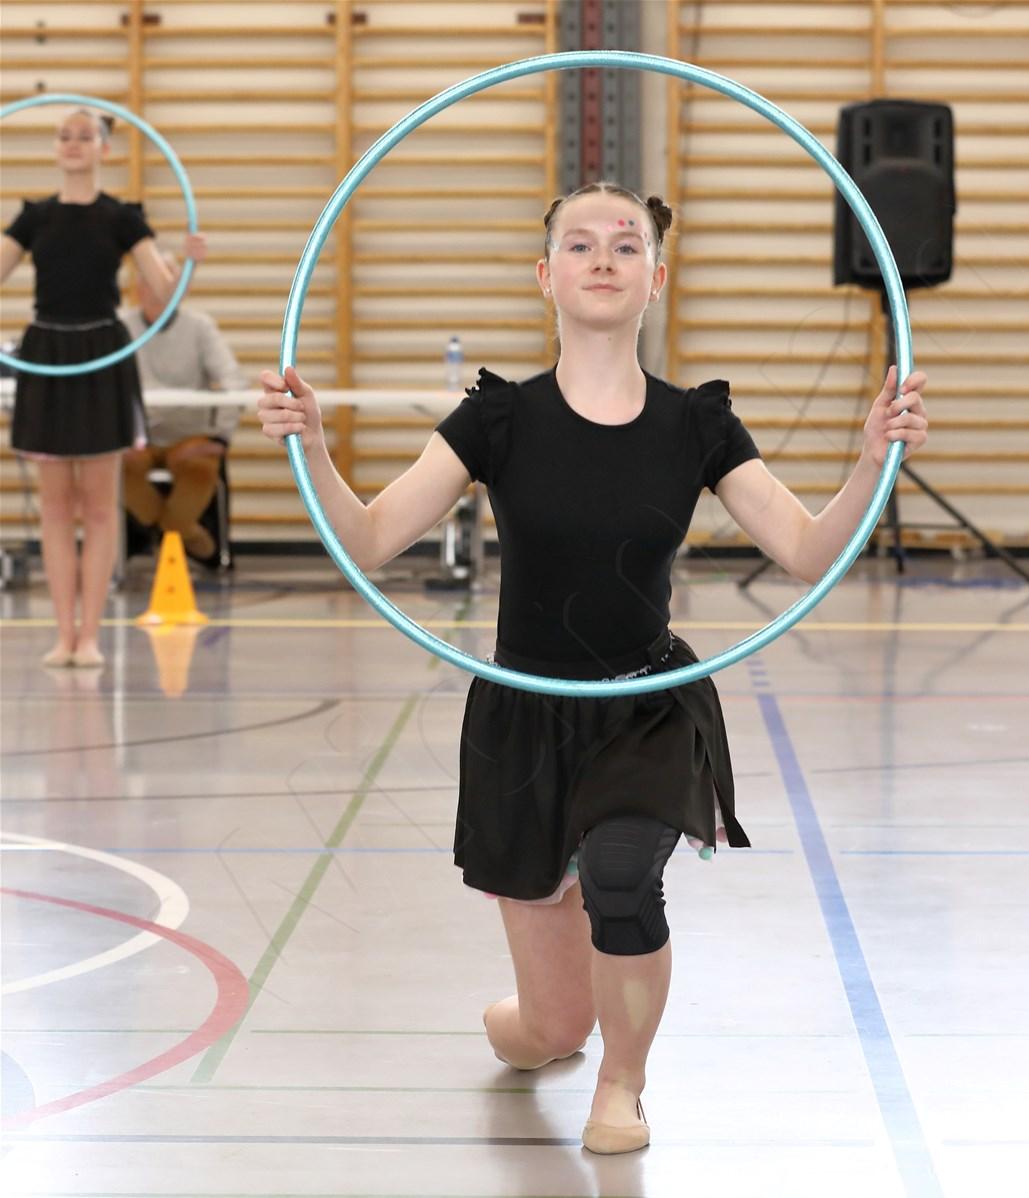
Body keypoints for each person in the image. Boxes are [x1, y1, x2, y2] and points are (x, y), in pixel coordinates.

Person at [257, 181, 929, 1152]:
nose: (604, 257)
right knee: (550, 1026)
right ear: (545, 276)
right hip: (525, 717)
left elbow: (807, 550)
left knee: (621, 878)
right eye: (580, 244)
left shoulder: (697, 425)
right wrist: (314, 447)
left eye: (626, 243)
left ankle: (624, 1086)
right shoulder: (497, 419)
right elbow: (367, 538)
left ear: (658, 276)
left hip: (645, 705)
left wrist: (869, 461)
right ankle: (539, 1032)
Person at [0, 108, 206, 667]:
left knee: (97, 506)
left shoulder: (123, 217)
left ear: (103, 148)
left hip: (101, 358)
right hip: (48, 356)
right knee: (54, 508)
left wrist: (187, 263)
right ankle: (62, 633)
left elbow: (163, 292)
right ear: (54, 146)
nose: (73, 144)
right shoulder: (34, 217)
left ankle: (88, 636)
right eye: (64, 136)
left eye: (84, 136)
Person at [121, 254, 244, 565]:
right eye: (148, 280)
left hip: (190, 437)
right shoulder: (121, 327)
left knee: (201, 467)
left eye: (164, 281)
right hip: (137, 438)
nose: (156, 289)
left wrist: (219, 437)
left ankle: (159, 533)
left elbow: (234, 382)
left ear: (180, 288)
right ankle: (184, 536)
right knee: (113, 468)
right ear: (137, 288)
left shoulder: (200, 328)